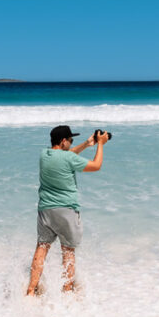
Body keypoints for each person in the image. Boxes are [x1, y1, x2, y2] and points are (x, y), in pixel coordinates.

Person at [25, 124, 108, 296]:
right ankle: (67, 291)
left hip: (45, 210)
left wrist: (86, 144)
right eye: (70, 140)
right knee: (68, 250)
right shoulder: (68, 158)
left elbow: (66, 155)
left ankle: (31, 290)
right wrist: (100, 144)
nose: (71, 142)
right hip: (66, 210)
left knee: (42, 247)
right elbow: (96, 165)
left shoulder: (44, 155)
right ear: (63, 141)